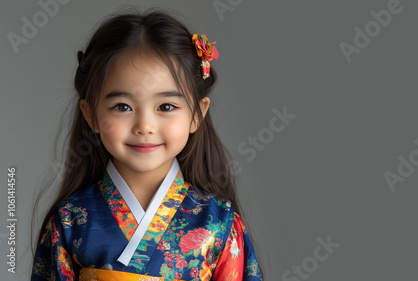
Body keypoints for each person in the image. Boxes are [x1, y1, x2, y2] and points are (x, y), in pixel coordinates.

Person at [31, 7, 262, 281]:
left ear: (197, 114)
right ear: (91, 114)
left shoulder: (219, 224)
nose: (144, 125)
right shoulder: (69, 221)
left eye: (165, 106)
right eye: (122, 106)